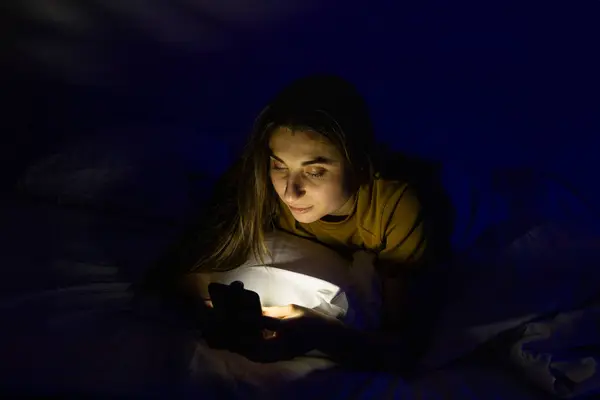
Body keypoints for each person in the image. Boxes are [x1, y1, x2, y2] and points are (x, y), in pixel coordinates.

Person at [172, 74, 438, 372]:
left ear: (359, 164)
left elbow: (403, 348)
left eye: (315, 172)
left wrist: (320, 332)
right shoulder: (259, 185)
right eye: (279, 166)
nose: (290, 191)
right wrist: (208, 308)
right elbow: (183, 272)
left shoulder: (395, 207)